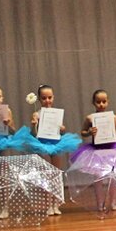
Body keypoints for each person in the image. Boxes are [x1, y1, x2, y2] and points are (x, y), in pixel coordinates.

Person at [74, 89, 116, 217]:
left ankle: (113, 202)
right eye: (98, 102)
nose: (101, 104)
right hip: (96, 150)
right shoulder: (90, 118)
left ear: (108, 102)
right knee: (98, 179)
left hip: (111, 149)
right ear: (93, 102)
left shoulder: (112, 117)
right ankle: (100, 203)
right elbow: (83, 132)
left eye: (104, 101)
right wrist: (89, 132)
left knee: (112, 177)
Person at [26, 84, 82, 215]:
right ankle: (47, 204)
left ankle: (55, 204)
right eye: (44, 98)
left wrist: (62, 129)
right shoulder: (37, 114)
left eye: (49, 97)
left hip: (56, 144)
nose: (47, 101)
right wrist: (33, 125)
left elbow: (60, 132)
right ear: (39, 99)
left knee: (56, 174)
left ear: (53, 97)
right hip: (42, 145)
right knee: (46, 175)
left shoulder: (56, 113)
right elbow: (33, 134)